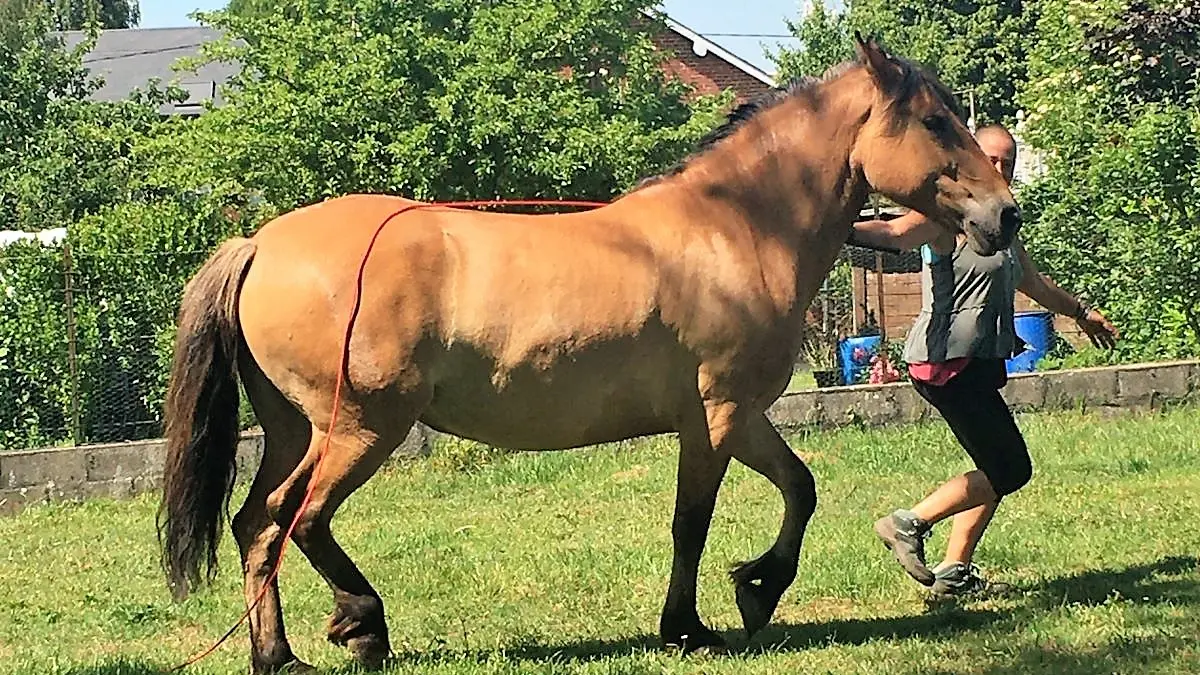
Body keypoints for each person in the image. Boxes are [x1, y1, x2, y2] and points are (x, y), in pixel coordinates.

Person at [849, 124, 1120, 598]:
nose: (999, 169)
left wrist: (1081, 312)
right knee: (1010, 468)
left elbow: (1033, 284)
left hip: (974, 363)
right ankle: (907, 522)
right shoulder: (949, 219)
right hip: (943, 363)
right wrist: (833, 227)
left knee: (994, 466)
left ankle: (953, 571)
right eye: (990, 159)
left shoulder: (1001, 226)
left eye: (1008, 163)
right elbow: (894, 233)